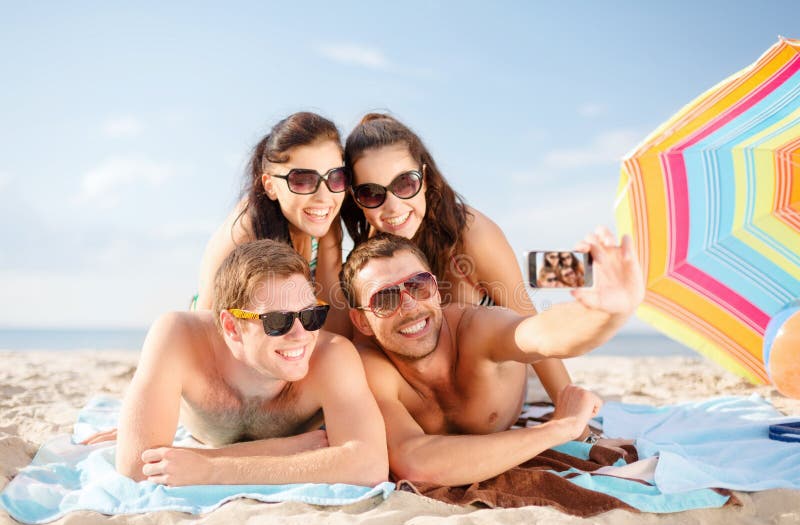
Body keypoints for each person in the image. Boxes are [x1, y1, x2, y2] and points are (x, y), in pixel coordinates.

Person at [340, 229, 643, 486]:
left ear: (436, 290)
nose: (408, 306)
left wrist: (606, 314)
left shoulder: (477, 328)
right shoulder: (371, 369)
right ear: (362, 321)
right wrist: (559, 428)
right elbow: (415, 462)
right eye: (385, 298)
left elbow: (541, 335)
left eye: (418, 286)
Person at [94, 239, 388, 487]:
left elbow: (370, 464)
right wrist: (285, 450)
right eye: (278, 321)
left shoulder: (332, 356)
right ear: (233, 327)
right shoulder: (179, 337)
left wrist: (211, 468)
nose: (302, 335)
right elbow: (137, 467)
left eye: (311, 315)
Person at [340, 113, 575, 405]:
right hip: (432, 414)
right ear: (355, 198)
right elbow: (364, 349)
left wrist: (582, 429)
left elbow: (532, 329)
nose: (393, 206)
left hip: (491, 401)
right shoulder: (370, 257)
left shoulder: (471, 235)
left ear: (424, 179)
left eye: (404, 184)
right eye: (372, 193)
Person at [194, 112, 350, 335]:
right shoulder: (243, 234)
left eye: (335, 176)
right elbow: (205, 332)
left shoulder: (324, 216)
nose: (324, 197)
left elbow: (336, 320)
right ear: (270, 185)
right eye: (303, 180)